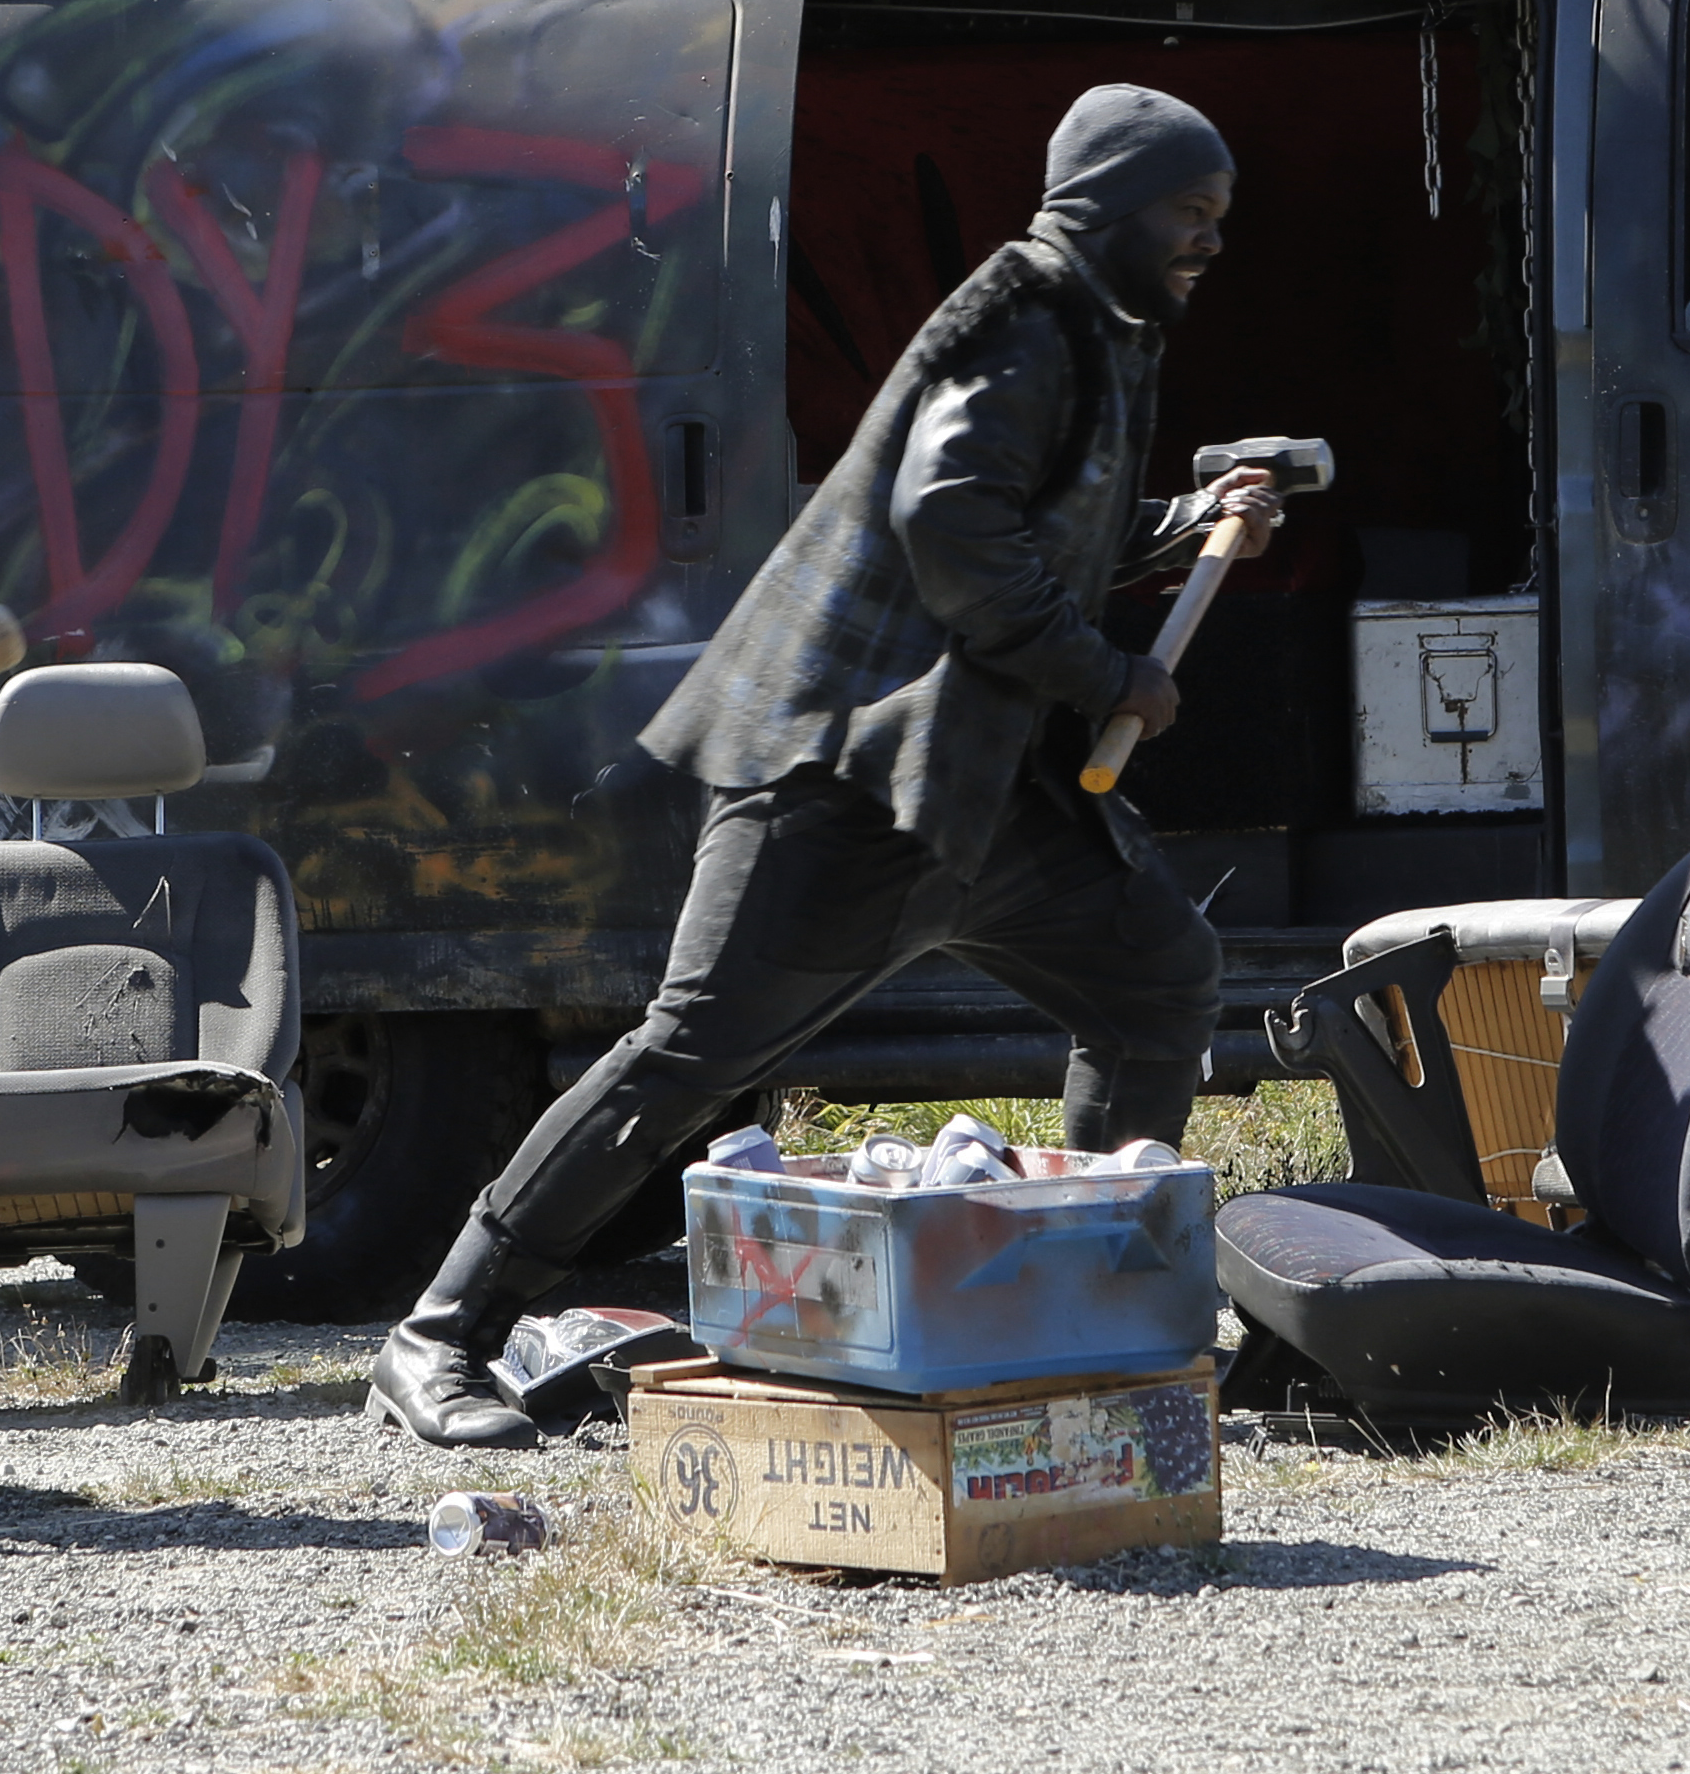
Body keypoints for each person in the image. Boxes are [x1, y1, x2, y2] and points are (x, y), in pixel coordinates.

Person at [370, 84, 1274, 1448]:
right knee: (682, 1063)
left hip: (974, 792)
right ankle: (439, 1336)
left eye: (1217, 215)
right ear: (1108, 204)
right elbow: (953, 525)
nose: (1207, 241)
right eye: (1187, 212)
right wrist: (1106, 677)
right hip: (848, 785)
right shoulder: (1031, 322)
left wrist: (1188, 521)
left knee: (1156, 978)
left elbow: (1037, 526)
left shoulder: (1095, 324)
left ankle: (1089, 1313)